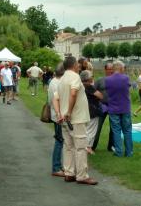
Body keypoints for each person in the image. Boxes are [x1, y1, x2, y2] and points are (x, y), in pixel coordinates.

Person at [53, 56, 98, 185]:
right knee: (80, 147)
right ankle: (82, 175)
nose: (79, 66)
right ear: (74, 65)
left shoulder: (61, 80)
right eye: (78, 64)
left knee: (68, 146)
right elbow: (73, 93)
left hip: (64, 118)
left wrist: (59, 113)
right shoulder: (75, 77)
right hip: (76, 118)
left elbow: (55, 99)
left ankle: (69, 173)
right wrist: (69, 112)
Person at [105, 61, 133, 157]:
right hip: (125, 107)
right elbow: (129, 89)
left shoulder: (108, 80)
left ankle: (119, 152)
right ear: (121, 68)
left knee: (116, 131)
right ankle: (129, 152)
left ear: (113, 69)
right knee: (127, 130)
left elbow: (108, 92)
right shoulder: (126, 78)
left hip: (113, 108)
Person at [92, 63, 114, 152]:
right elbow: (93, 91)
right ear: (105, 70)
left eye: (112, 69)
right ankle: (92, 146)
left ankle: (111, 147)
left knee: (113, 128)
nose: (110, 71)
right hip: (102, 106)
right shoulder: (100, 80)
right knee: (98, 127)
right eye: (109, 69)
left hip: (113, 106)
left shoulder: (116, 80)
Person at [80, 70, 103, 155]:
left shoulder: (80, 85)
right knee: (91, 130)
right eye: (91, 76)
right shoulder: (89, 86)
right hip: (92, 110)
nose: (92, 78)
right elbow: (99, 95)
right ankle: (88, 147)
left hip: (83, 109)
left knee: (85, 129)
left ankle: (84, 146)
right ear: (88, 78)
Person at [48, 63, 65, 177]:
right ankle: (56, 167)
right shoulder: (58, 84)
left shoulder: (53, 81)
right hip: (58, 116)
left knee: (60, 140)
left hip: (56, 115)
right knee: (59, 141)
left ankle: (59, 165)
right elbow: (56, 100)